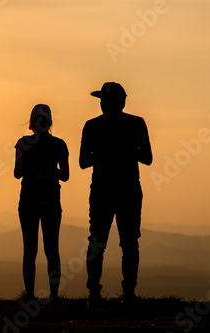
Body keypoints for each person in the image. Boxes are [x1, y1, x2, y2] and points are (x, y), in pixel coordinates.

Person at [79, 82, 152, 305]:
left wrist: (124, 149)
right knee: (108, 243)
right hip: (111, 191)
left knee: (123, 243)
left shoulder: (132, 124)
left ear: (120, 102)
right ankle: (102, 293)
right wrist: (111, 152)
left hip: (120, 191)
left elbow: (147, 157)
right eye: (102, 100)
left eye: (107, 99)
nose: (103, 104)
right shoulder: (95, 126)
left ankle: (120, 293)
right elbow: (83, 162)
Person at [14, 104, 69, 300]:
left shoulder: (23, 143)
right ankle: (53, 295)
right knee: (51, 249)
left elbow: (16, 173)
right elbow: (65, 175)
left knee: (31, 249)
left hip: (29, 200)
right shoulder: (59, 145)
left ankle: (30, 294)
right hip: (51, 200)